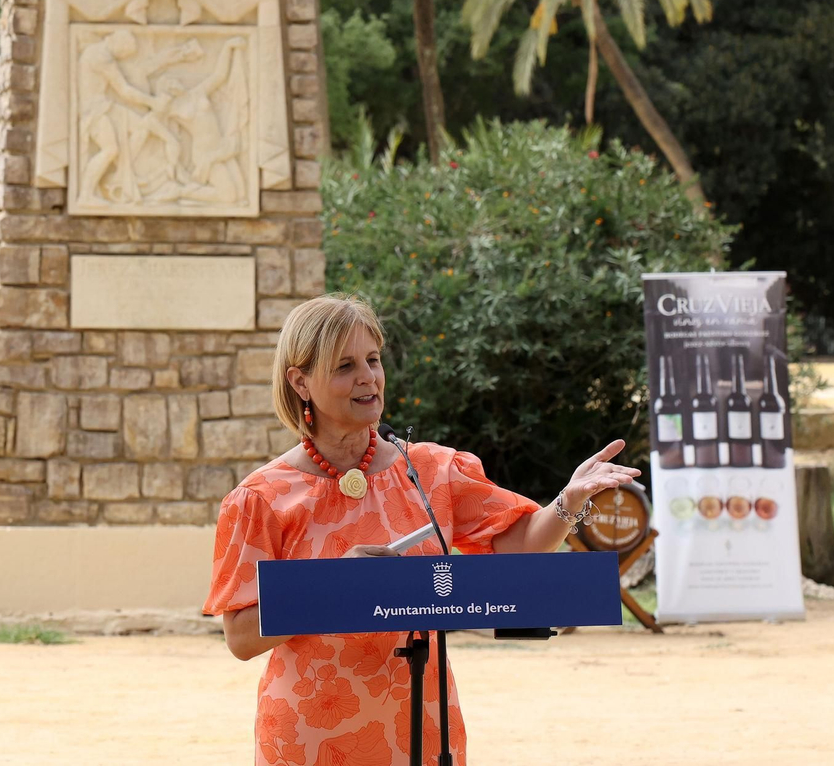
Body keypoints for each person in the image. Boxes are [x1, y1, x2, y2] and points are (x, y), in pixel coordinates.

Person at [204, 294, 639, 765]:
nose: (368, 376)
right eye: (345, 366)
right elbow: (242, 637)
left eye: (373, 359)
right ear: (300, 382)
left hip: (423, 725)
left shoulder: (430, 469)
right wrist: (332, 584)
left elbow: (520, 542)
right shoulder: (261, 498)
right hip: (309, 735)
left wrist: (566, 501)